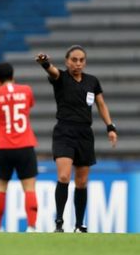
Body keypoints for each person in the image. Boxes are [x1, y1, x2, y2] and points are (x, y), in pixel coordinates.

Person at [36, 45, 117, 233]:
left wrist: (110, 127)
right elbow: (52, 71)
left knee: (81, 182)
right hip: (64, 131)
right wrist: (45, 63)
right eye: (74, 60)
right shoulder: (61, 78)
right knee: (64, 176)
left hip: (85, 134)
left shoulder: (92, 82)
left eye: (81, 60)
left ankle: (79, 224)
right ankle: (59, 221)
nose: (78, 63)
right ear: (67, 61)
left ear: (85, 62)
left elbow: (101, 104)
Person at [0, 62, 38, 232]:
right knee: (29, 188)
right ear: (12, 75)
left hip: (2, 146)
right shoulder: (27, 90)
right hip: (25, 145)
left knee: (0, 188)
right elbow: (27, 108)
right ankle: (31, 226)